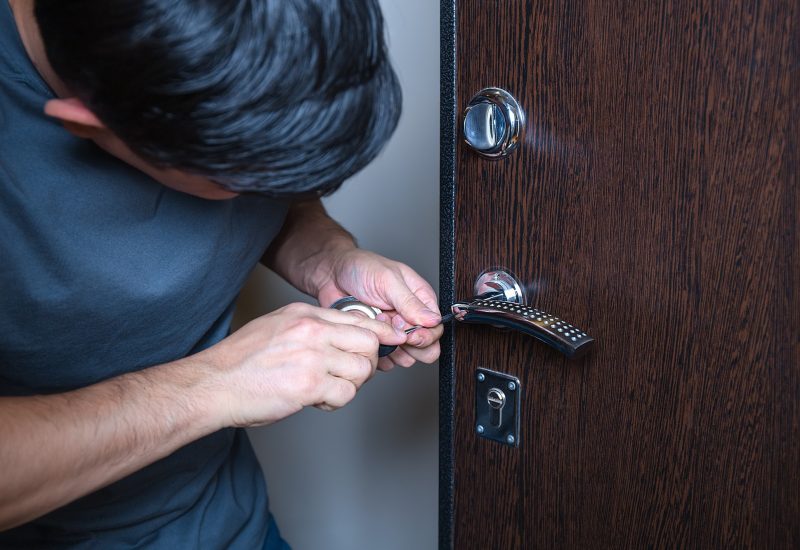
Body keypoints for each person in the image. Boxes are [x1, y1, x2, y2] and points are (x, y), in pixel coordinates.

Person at [0, 0, 443, 547]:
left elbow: (266, 184)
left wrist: (325, 254)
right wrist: (217, 385)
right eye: (237, 180)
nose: (258, 193)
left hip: (226, 521)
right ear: (86, 125)